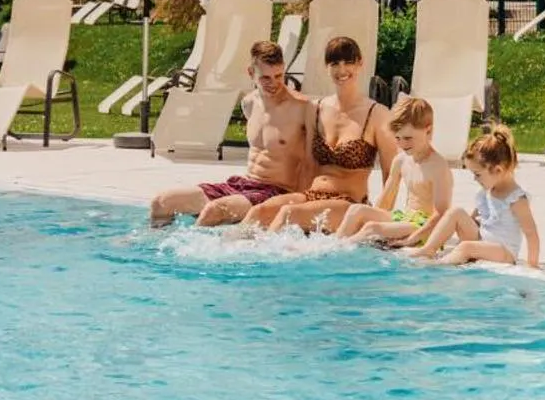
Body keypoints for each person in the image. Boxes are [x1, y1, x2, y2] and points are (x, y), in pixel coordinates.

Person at [241, 36, 400, 234]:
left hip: (348, 201)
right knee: (258, 212)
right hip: (312, 195)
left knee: (287, 215)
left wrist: (382, 219)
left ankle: (264, 261)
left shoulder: (377, 114)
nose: (342, 70)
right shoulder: (316, 109)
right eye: (335, 63)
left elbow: (392, 174)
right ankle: (229, 259)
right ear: (327, 67)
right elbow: (308, 164)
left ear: (360, 64)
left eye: (349, 62)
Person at [147, 41, 313, 228]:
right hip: (243, 185)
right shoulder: (249, 103)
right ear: (251, 73)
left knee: (213, 211)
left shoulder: (302, 108)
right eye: (266, 78)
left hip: (277, 191)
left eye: (279, 76)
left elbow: (315, 160)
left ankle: (194, 254)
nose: (274, 84)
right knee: (162, 202)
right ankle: (154, 251)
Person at [410, 126, 540, 268]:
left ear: (498, 170)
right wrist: (459, 228)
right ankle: (428, 249)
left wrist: (532, 266)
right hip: (482, 241)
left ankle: (437, 268)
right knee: (456, 212)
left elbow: (531, 234)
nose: (475, 179)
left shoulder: (516, 198)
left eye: (477, 174)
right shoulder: (487, 191)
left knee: (466, 247)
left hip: (503, 251)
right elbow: (472, 220)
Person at [338, 96, 453, 245]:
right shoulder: (401, 160)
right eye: (397, 138)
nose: (402, 144)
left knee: (372, 228)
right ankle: (332, 246)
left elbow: (442, 214)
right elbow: (386, 201)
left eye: (408, 138)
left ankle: (338, 250)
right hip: (404, 218)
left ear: (428, 130)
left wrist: (411, 238)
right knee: (356, 210)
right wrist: (371, 216)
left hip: (424, 227)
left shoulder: (437, 166)